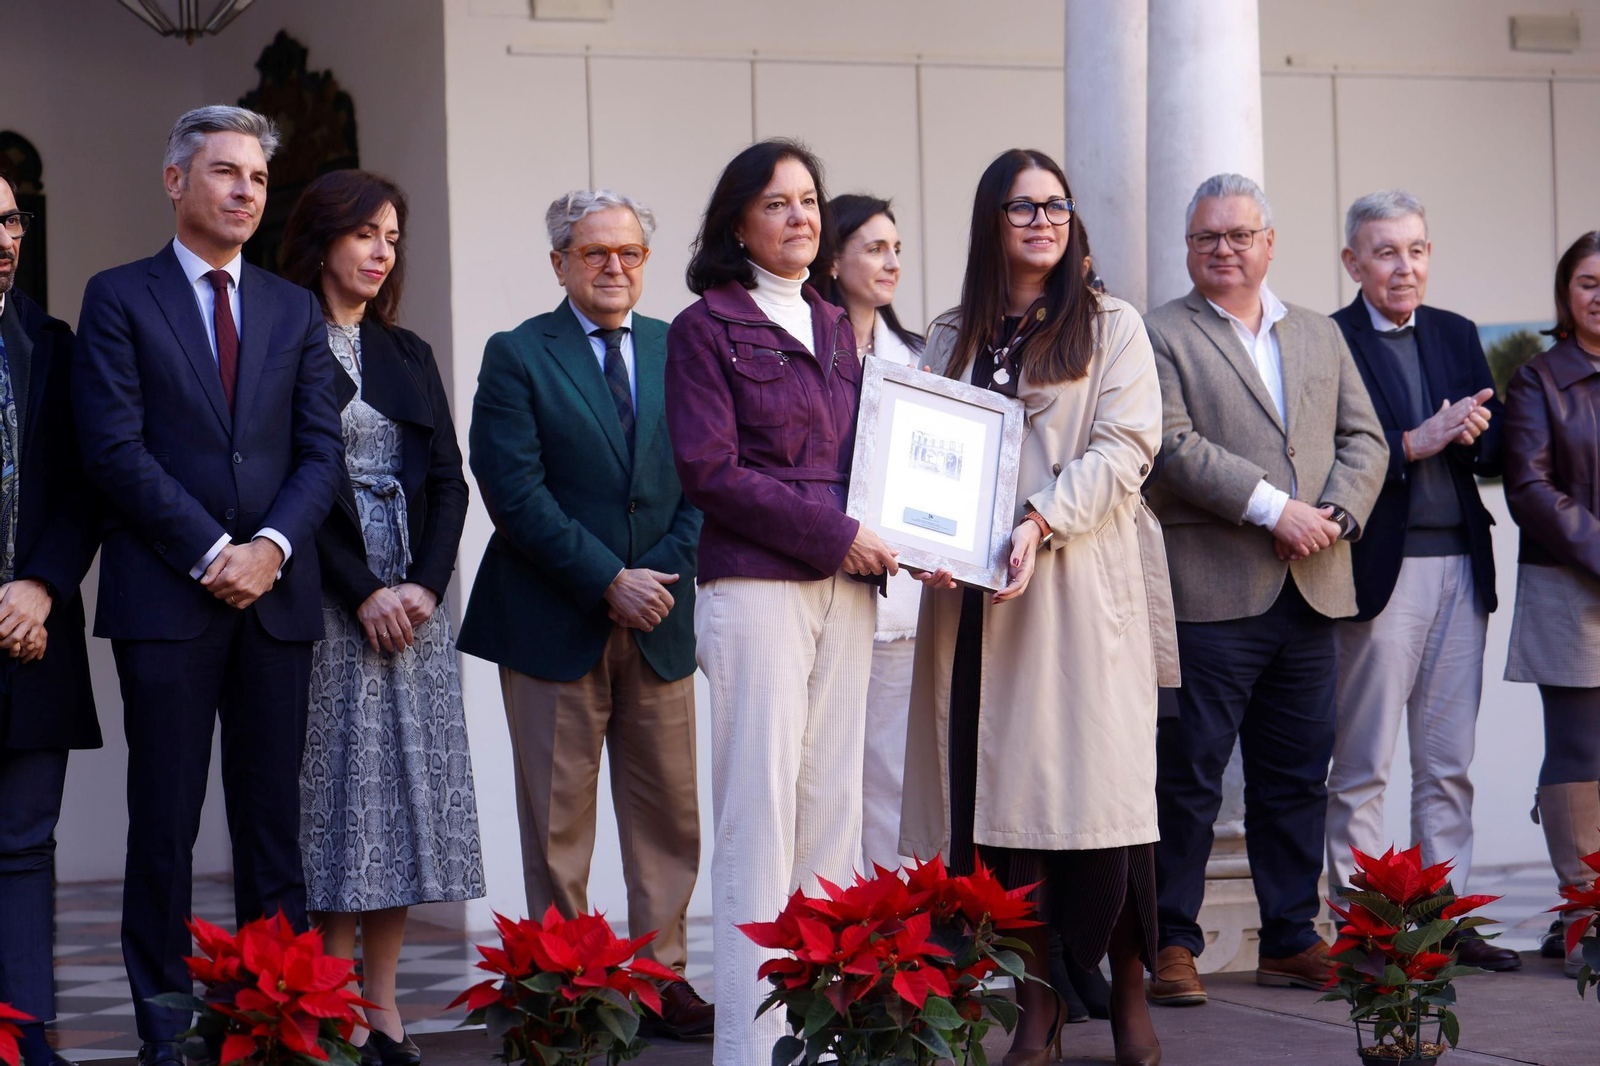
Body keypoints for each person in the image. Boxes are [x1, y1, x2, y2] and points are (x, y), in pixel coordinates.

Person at [73, 106, 345, 1065]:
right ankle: (165, 1030)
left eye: (258, 178)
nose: (245, 191)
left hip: (275, 602)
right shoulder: (118, 296)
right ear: (175, 181)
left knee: (273, 828)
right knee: (165, 825)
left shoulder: (292, 308)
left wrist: (268, 547)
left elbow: (320, 451)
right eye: (226, 171)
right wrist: (211, 551)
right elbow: (113, 448)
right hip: (167, 601)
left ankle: (276, 1023)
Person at [898, 149, 1176, 1066]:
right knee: (997, 818)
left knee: (1098, 813)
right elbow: (923, 456)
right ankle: (1036, 1007)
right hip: (975, 611)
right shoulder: (950, 335)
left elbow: (1127, 445)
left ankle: (1128, 997)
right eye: (1023, 207)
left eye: (1056, 205)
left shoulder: (1111, 323)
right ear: (992, 221)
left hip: (1073, 595)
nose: (1043, 221)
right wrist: (925, 545)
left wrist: (1038, 519)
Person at [458, 189, 712, 1039]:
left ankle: (662, 980)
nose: (614, 267)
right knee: (557, 821)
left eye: (630, 252)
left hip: (661, 618)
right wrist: (608, 579)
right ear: (559, 262)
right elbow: (512, 490)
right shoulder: (518, 353)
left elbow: (710, 475)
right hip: (552, 618)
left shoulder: (681, 347)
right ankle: (565, 988)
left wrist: (658, 574)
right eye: (595, 252)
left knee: (670, 814)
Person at [665, 139, 896, 1066]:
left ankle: (818, 1042)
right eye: (776, 203)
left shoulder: (836, 324)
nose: (800, 217)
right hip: (757, 584)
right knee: (759, 816)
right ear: (738, 223)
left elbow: (868, 459)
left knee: (832, 813)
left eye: (808, 200)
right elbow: (710, 471)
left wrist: (912, 539)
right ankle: (749, 1050)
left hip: (849, 587)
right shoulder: (704, 327)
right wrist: (836, 535)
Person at [1143, 173, 1386, 1007]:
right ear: (1188, 247)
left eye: (1239, 235)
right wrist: (1274, 509)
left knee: (1298, 776)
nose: (1224, 249)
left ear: (1269, 243)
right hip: (1211, 591)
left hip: (1312, 586)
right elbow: (1170, 444)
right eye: (1207, 237)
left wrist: (1335, 517)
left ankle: (1290, 937)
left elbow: (1364, 439)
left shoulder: (1318, 331)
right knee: (1189, 777)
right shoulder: (1159, 332)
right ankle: (1172, 943)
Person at [279, 170, 485, 1065]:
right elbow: (290, 486)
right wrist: (362, 588)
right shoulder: (283, 340)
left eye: (392, 238)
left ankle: (384, 1005)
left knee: (403, 809)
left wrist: (425, 587)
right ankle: (332, 1003)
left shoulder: (408, 352)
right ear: (323, 237)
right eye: (366, 233)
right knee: (339, 805)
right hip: (331, 606)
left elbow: (449, 482)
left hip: (414, 613)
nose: (380, 252)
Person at [1324, 190, 1518, 973]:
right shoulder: (1329, 340)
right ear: (1353, 263)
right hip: (1381, 571)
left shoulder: (1456, 332)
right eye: (1386, 252)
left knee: (1447, 763)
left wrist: (1473, 434)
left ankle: (1444, 921)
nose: (1404, 267)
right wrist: (1413, 442)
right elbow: (1329, 457)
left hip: (1460, 567)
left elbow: (1492, 450)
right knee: (1363, 764)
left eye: (1416, 250)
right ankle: (1364, 929)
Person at [0, 175, 102, 1066]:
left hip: (33, 635)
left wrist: (41, 587)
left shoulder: (54, 344)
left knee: (27, 844)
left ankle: (26, 1040)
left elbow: (85, 484)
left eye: (10, 220)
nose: (3, 239)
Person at [1504, 230, 1600, 978]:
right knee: (1579, 749)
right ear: (1566, 296)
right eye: (1588, 283)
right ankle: (1585, 918)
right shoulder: (1540, 379)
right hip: (1569, 581)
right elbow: (1529, 487)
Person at [818, 193, 924, 871]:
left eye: (897, 249)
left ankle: (893, 924)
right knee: (821, 779)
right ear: (832, 260)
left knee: (890, 777)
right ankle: (820, 923)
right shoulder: (799, 350)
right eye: (874, 248)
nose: (891, 263)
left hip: (900, 600)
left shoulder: (922, 357)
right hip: (817, 584)